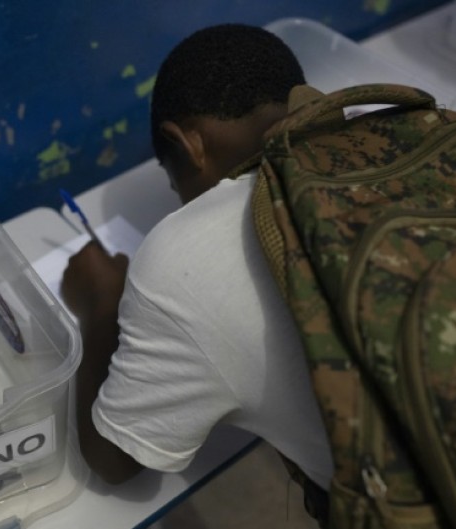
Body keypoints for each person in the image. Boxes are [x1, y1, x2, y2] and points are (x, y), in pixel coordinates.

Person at [60, 23, 333, 502]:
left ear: (186, 144)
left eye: (173, 185)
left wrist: (103, 307)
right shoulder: (388, 127)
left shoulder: (186, 259)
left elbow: (113, 460)